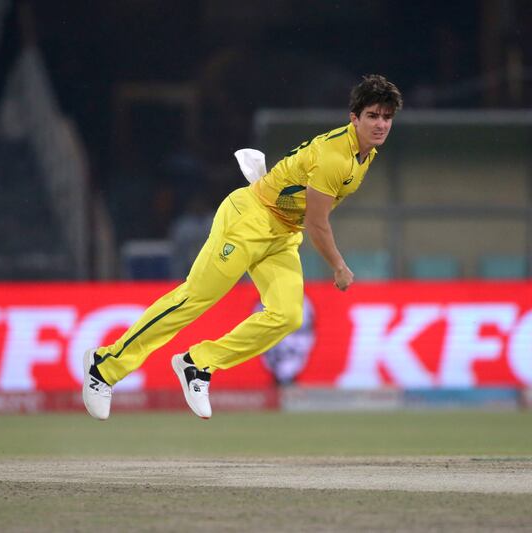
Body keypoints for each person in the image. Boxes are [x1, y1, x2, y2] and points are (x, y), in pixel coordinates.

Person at [83, 74, 402, 420]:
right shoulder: (336, 157)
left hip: (281, 234)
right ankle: (104, 366)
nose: (380, 124)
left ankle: (198, 364)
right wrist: (338, 265)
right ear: (354, 118)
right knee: (195, 298)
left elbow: (300, 201)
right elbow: (317, 222)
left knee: (288, 315)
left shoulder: (365, 155)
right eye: (373, 115)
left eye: (386, 117)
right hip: (248, 220)